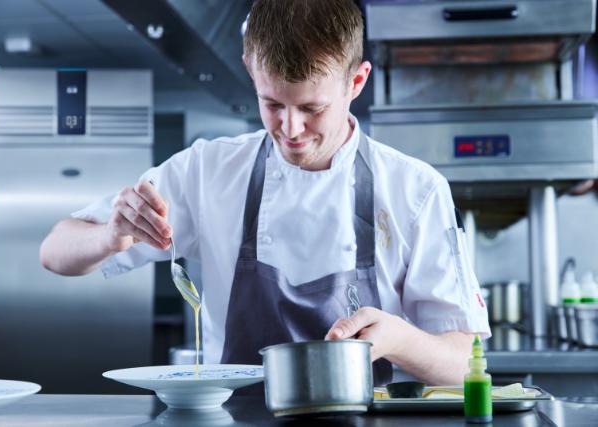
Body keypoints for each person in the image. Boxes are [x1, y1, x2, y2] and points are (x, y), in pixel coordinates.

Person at [40, 0, 490, 386]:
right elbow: (54, 251)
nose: (290, 130)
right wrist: (109, 236)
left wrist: (399, 339)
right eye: (272, 104)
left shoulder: (415, 189)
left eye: (312, 108)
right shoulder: (207, 171)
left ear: (356, 82)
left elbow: (464, 366)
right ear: (251, 72)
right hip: (234, 418)